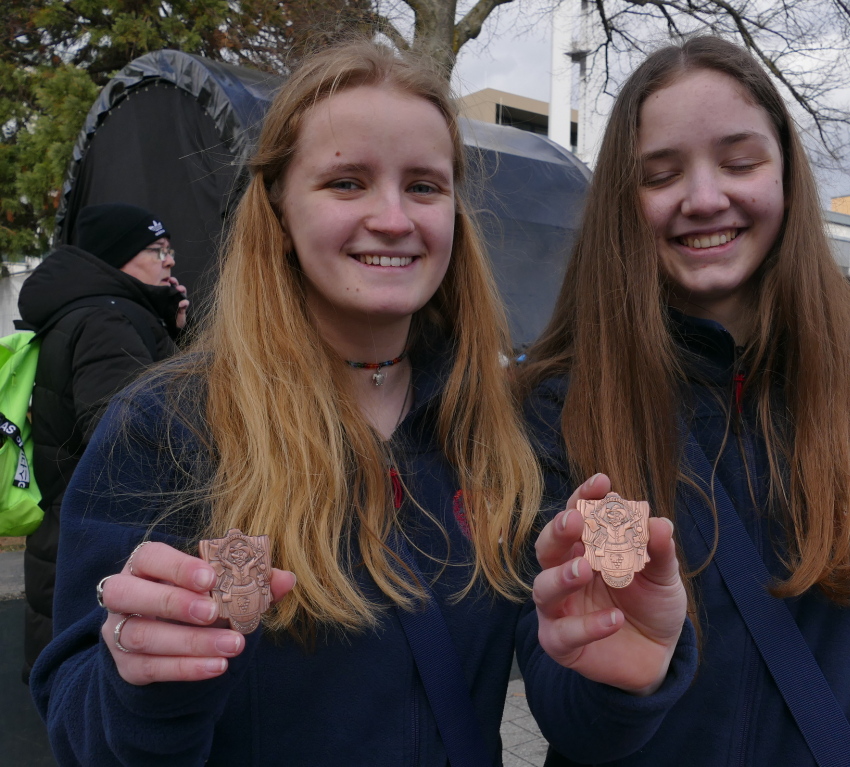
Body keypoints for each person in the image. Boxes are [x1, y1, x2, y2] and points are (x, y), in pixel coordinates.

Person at [30, 41, 693, 765]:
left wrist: (625, 677)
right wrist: (139, 682)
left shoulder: (507, 426)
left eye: (423, 185)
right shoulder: (167, 423)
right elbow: (79, 728)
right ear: (279, 208)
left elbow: (576, 714)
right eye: (346, 182)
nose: (392, 217)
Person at [519, 35, 850, 766]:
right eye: (660, 174)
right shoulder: (556, 410)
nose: (702, 197)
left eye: (738, 161)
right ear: (622, 204)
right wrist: (620, 686)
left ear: (785, 174)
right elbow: (564, 709)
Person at [17, 202, 188, 682]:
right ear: (115, 259)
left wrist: (170, 329)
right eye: (157, 249)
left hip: (71, 539)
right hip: (107, 552)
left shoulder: (88, 313)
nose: (169, 260)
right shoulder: (107, 322)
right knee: (104, 714)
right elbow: (129, 447)